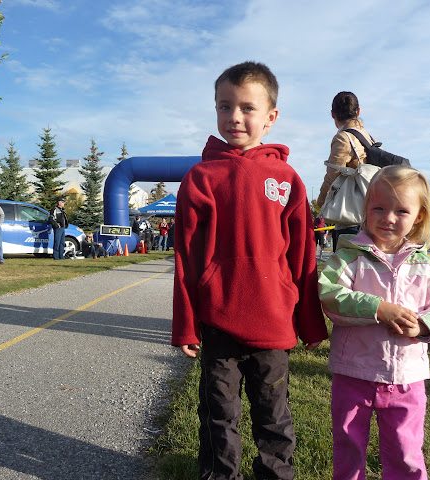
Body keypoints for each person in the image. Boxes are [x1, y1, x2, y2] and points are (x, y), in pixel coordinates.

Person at [172, 61, 328, 480]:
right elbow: (186, 259)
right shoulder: (200, 178)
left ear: (270, 117)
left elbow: (303, 258)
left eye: (247, 107)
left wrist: (310, 323)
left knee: (273, 416)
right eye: (225, 106)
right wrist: (186, 325)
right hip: (219, 321)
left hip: (273, 321)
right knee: (219, 416)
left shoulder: (287, 179)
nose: (235, 117)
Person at [318, 165, 430, 480]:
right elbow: (330, 296)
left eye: (401, 211)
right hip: (353, 373)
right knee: (348, 447)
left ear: (419, 217)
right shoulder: (349, 258)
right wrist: (378, 308)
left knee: (405, 451)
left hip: (407, 377)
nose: (388, 217)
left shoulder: (426, 267)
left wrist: (423, 326)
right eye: (379, 208)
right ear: (366, 209)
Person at [316, 91, 372, 251]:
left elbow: (332, 176)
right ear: (358, 112)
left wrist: (321, 204)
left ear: (332, 114)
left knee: (346, 263)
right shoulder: (369, 139)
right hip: (370, 213)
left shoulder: (343, 138)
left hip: (350, 215)